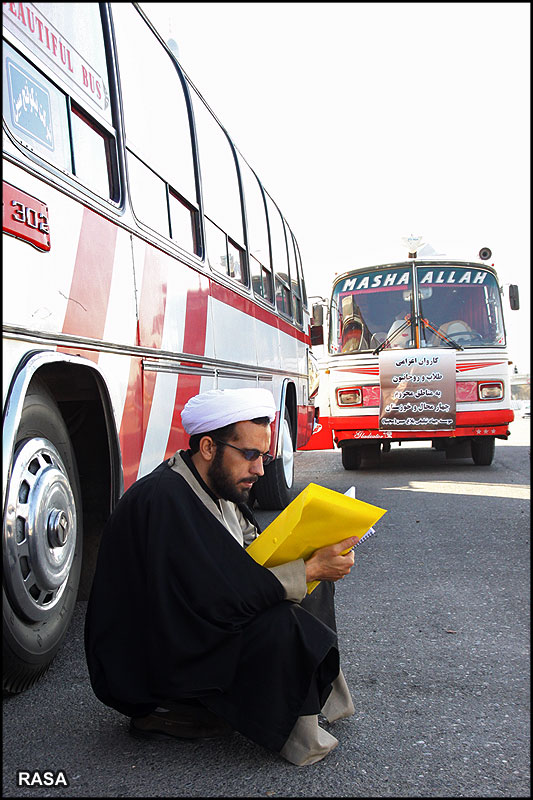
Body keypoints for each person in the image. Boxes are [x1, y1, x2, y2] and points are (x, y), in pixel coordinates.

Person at [84, 388, 357, 766]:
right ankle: (175, 709)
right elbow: (218, 598)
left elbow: (247, 560)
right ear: (209, 448)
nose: (260, 470)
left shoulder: (215, 486)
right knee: (281, 619)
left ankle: (300, 698)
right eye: (249, 456)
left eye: (264, 457)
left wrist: (312, 558)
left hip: (189, 625)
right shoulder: (165, 499)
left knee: (309, 583)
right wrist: (306, 569)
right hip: (149, 666)